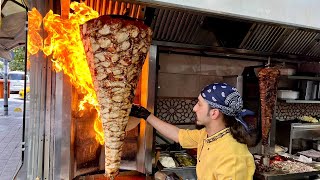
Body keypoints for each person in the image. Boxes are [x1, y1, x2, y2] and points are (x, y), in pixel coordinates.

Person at [129, 83, 256, 180]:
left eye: (199, 104)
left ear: (214, 113)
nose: (194, 108)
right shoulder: (208, 135)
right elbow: (179, 135)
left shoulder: (232, 158)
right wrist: (146, 115)